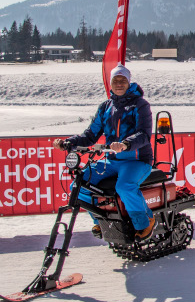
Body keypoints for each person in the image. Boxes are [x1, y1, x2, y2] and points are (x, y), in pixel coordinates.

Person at [52, 65, 156, 240]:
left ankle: (144, 222)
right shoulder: (106, 107)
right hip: (112, 160)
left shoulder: (140, 105)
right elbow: (90, 135)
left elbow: (144, 135)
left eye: (123, 80)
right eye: (116, 80)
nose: (119, 84)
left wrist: (125, 144)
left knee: (124, 186)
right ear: (110, 83)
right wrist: (68, 143)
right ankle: (101, 221)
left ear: (129, 82)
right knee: (78, 185)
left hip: (137, 160)